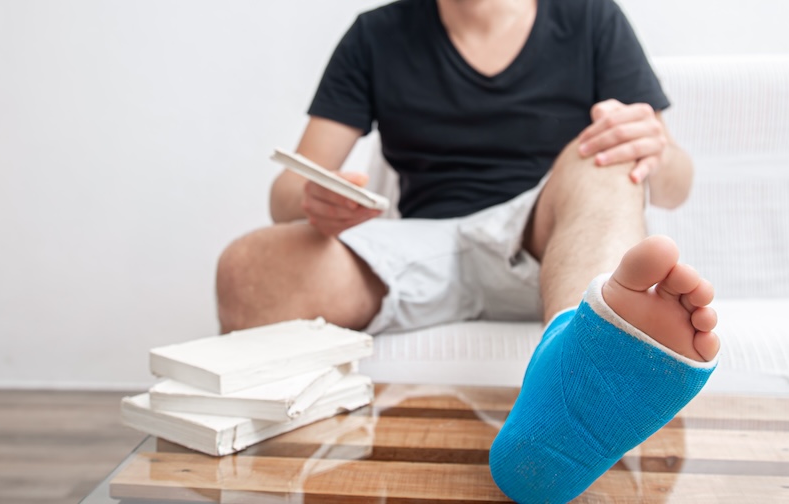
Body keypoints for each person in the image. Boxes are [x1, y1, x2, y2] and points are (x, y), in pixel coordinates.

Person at [217, 0, 720, 501]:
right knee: (248, 267)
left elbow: (674, 187)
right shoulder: (376, 34)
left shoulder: (591, 18)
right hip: (421, 247)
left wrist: (657, 149)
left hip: (548, 243)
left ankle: (580, 348)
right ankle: (570, 388)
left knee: (609, 161)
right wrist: (314, 198)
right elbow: (285, 195)